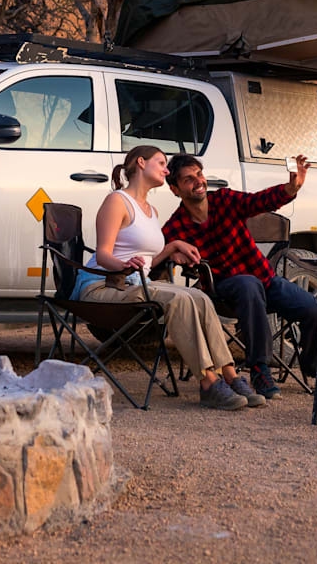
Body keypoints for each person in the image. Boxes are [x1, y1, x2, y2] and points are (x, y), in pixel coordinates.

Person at [71, 145, 265, 410]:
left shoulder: (151, 210)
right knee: (179, 299)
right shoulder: (117, 201)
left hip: (136, 285)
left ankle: (229, 373)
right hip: (102, 286)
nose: (166, 169)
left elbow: (148, 258)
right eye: (161, 163)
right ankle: (208, 381)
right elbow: (104, 255)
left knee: (198, 297)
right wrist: (125, 264)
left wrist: (174, 246)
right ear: (141, 163)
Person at [162, 153, 317, 400]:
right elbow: (159, 254)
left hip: (264, 281)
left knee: (312, 308)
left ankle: (315, 364)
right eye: (188, 179)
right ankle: (259, 368)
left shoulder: (225, 200)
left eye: (199, 174)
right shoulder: (175, 227)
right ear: (175, 189)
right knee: (247, 284)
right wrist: (173, 252)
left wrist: (290, 188)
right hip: (222, 291)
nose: (198, 181)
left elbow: (259, 202)